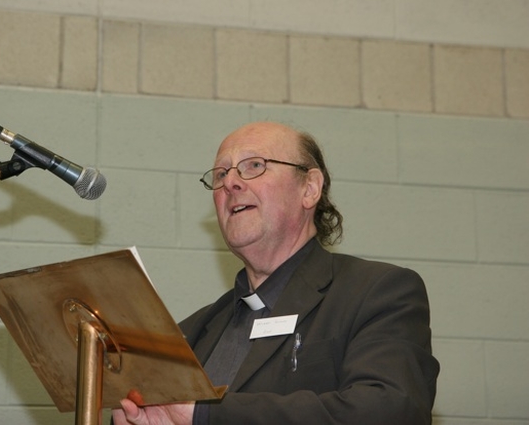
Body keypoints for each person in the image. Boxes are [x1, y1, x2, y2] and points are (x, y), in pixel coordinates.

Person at [112, 121, 440, 425]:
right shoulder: (191, 333)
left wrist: (207, 416)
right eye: (221, 173)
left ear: (310, 188)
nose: (230, 182)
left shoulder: (377, 292)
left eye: (254, 165)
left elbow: (390, 409)